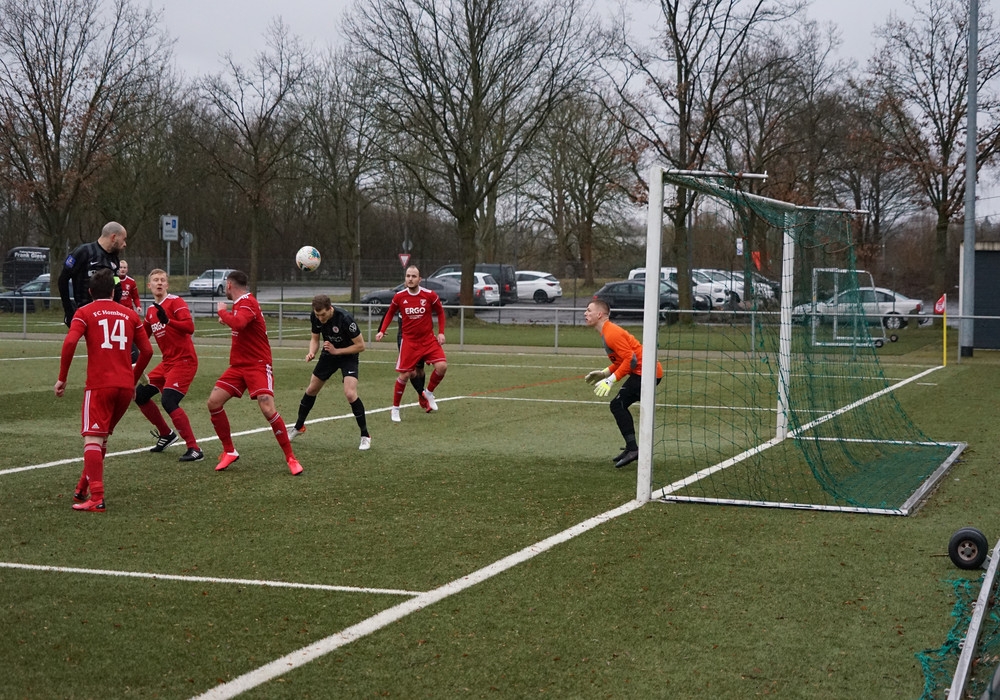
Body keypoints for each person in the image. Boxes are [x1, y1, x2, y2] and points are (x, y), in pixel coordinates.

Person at [54, 268, 153, 512]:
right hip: (124, 387)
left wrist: (62, 378)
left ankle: (97, 498)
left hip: (100, 385)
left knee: (93, 439)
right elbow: (148, 351)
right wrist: (134, 379)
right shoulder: (130, 314)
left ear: (90, 291)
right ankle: (82, 487)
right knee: (102, 438)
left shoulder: (84, 312)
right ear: (113, 292)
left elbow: (70, 341)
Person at [207, 270, 302, 475]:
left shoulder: (248, 302)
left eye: (226, 285)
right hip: (238, 366)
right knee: (214, 402)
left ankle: (291, 458)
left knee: (267, 407)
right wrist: (229, 318)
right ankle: (229, 451)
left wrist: (222, 312)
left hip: (258, 364)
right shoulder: (240, 304)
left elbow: (240, 323)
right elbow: (241, 324)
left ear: (229, 285)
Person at [583, 299, 663, 469]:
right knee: (618, 405)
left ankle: (633, 449)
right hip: (643, 372)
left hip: (648, 373)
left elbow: (631, 360)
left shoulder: (611, 332)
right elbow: (623, 360)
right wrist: (605, 373)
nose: (585, 313)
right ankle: (631, 448)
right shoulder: (607, 331)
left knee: (617, 405)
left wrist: (611, 380)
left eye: (589, 310)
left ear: (599, 314)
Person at [134, 269, 204, 461]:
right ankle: (166, 434)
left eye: (162, 280)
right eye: (155, 280)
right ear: (149, 285)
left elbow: (190, 328)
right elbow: (142, 337)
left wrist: (169, 321)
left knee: (169, 401)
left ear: (167, 284)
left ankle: (194, 449)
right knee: (140, 395)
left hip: (184, 361)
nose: (159, 283)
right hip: (167, 364)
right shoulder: (151, 311)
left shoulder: (176, 302)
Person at [289, 295, 371, 450]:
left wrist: (337, 351)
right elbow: (315, 339)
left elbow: (361, 346)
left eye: (323, 314)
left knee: (350, 393)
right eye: (317, 315)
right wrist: (311, 352)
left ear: (330, 308)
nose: (320, 318)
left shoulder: (345, 319)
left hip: (348, 356)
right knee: (311, 389)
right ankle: (298, 427)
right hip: (329, 355)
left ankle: (365, 436)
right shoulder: (315, 317)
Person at [374, 265, 447, 422]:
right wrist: (382, 330)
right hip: (409, 341)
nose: (410, 279)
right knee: (406, 374)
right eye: (408, 276)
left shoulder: (429, 295)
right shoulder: (399, 297)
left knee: (442, 366)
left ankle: (428, 393)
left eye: (414, 276)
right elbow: (390, 313)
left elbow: (440, 312)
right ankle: (395, 409)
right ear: (405, 278)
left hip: (428, 339)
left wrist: (441, 332)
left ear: (419, 279)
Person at [57, 221, 128, 327]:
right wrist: (68, 309)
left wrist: (117, 304)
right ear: (113, 237)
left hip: (107, 315)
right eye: (123, 239)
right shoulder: (83, 252)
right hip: (86, 315)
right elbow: (63, 280)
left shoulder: (114, 259)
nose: (125, 244)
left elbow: (116, 281)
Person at [117, 259, 142, 363]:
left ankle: (132, 351)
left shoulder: (131, 282)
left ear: (127, 269)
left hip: (128, 313)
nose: (122, 269)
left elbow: (135, 297)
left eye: (124, 268)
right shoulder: (114, 280)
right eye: (121, 267)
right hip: (117, 313)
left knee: (130, 332)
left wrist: (138, 306)